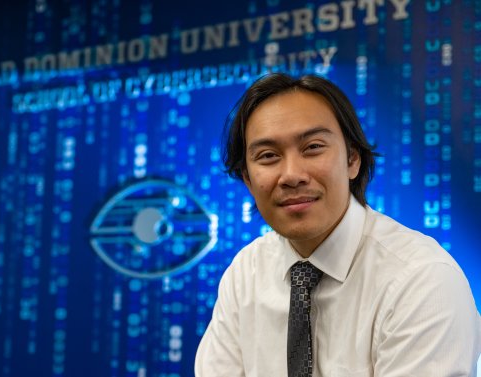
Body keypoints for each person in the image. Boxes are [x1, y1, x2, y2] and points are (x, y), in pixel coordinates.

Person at [194, 73, 481, 376]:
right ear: (248, 180)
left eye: (313, 147)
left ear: (352, 160)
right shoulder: (246, 273)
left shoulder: (422, 279)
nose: (292, 175)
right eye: (268, 156)